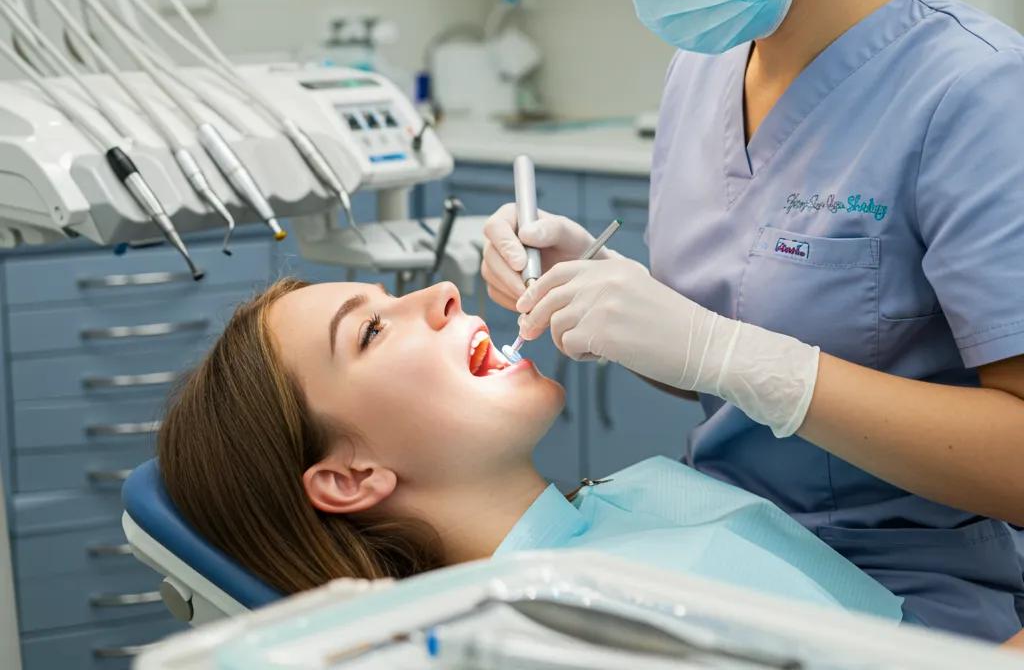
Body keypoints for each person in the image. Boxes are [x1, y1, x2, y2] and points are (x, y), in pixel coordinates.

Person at [480, 0, 1024, 643]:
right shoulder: (706, 64)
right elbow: (721, 369)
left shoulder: (973, 93)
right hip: (723, 546)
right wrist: (608, 297)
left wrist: (735, 355)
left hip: (897, 596)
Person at [157, 276, 901, 621]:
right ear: (351, 478)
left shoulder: (640, 497)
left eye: (391, 297)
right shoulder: (550, 633)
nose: (443, 293)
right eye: (372, 330)